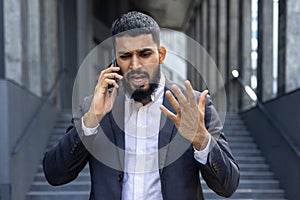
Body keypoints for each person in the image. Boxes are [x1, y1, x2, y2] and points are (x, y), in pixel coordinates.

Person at [43, 11, 240, 200]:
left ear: (161, 55)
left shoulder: (194, 106)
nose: (135, 65)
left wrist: (201, 139)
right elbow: (55, 174)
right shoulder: (94, 107)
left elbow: (228, 185)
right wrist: (91, 120)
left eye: (145, 54)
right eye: (125, 56)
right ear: (115, 61)